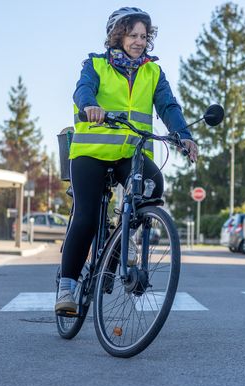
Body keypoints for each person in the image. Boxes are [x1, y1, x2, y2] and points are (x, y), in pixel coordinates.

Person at [56, 7, 198, 314]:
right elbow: (82, 90)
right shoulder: (96, 64)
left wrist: (183, 135)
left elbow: (168, 106)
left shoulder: (153, 72)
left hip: (131, 153)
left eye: (143, 36)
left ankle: (123, 240)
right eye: (132, 34)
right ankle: (66, 287)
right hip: (90, 153)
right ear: (118, 35)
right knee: (86, 216)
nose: (138, 41)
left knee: (154, 184)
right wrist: (90, 105)